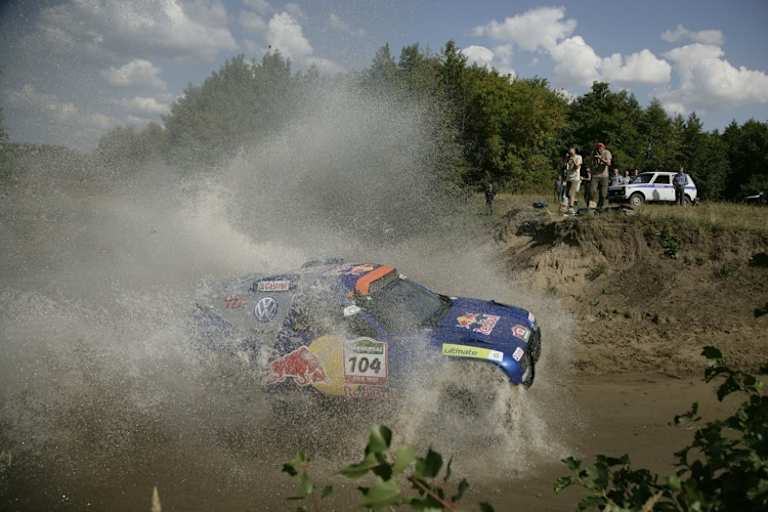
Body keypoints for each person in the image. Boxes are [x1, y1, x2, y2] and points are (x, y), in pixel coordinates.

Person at [591, 142, 612, 209]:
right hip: (595, 175)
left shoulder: (607, 152)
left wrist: (600, 158)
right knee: (592, 191)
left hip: (604, 176)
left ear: (603, 148)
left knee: (603, 194)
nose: (599, 149)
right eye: (598, 147)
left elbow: (609, 163)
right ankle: (592, 207)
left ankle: (601, 207)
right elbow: (591, 163)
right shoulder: (594, 153)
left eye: (601, 147)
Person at [564, 147, 582, 213]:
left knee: (571, 192)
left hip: (575, 178)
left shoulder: (578, 157)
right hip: (568, 177)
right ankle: (573, 203)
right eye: (569, 151)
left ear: (574, 151)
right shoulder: (568, 158)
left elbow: (577, 166)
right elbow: (565, 166)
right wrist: (566, 159)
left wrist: (573, 160)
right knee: (567, 194)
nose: (570, 152)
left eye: (571, 151)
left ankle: (571, 207)